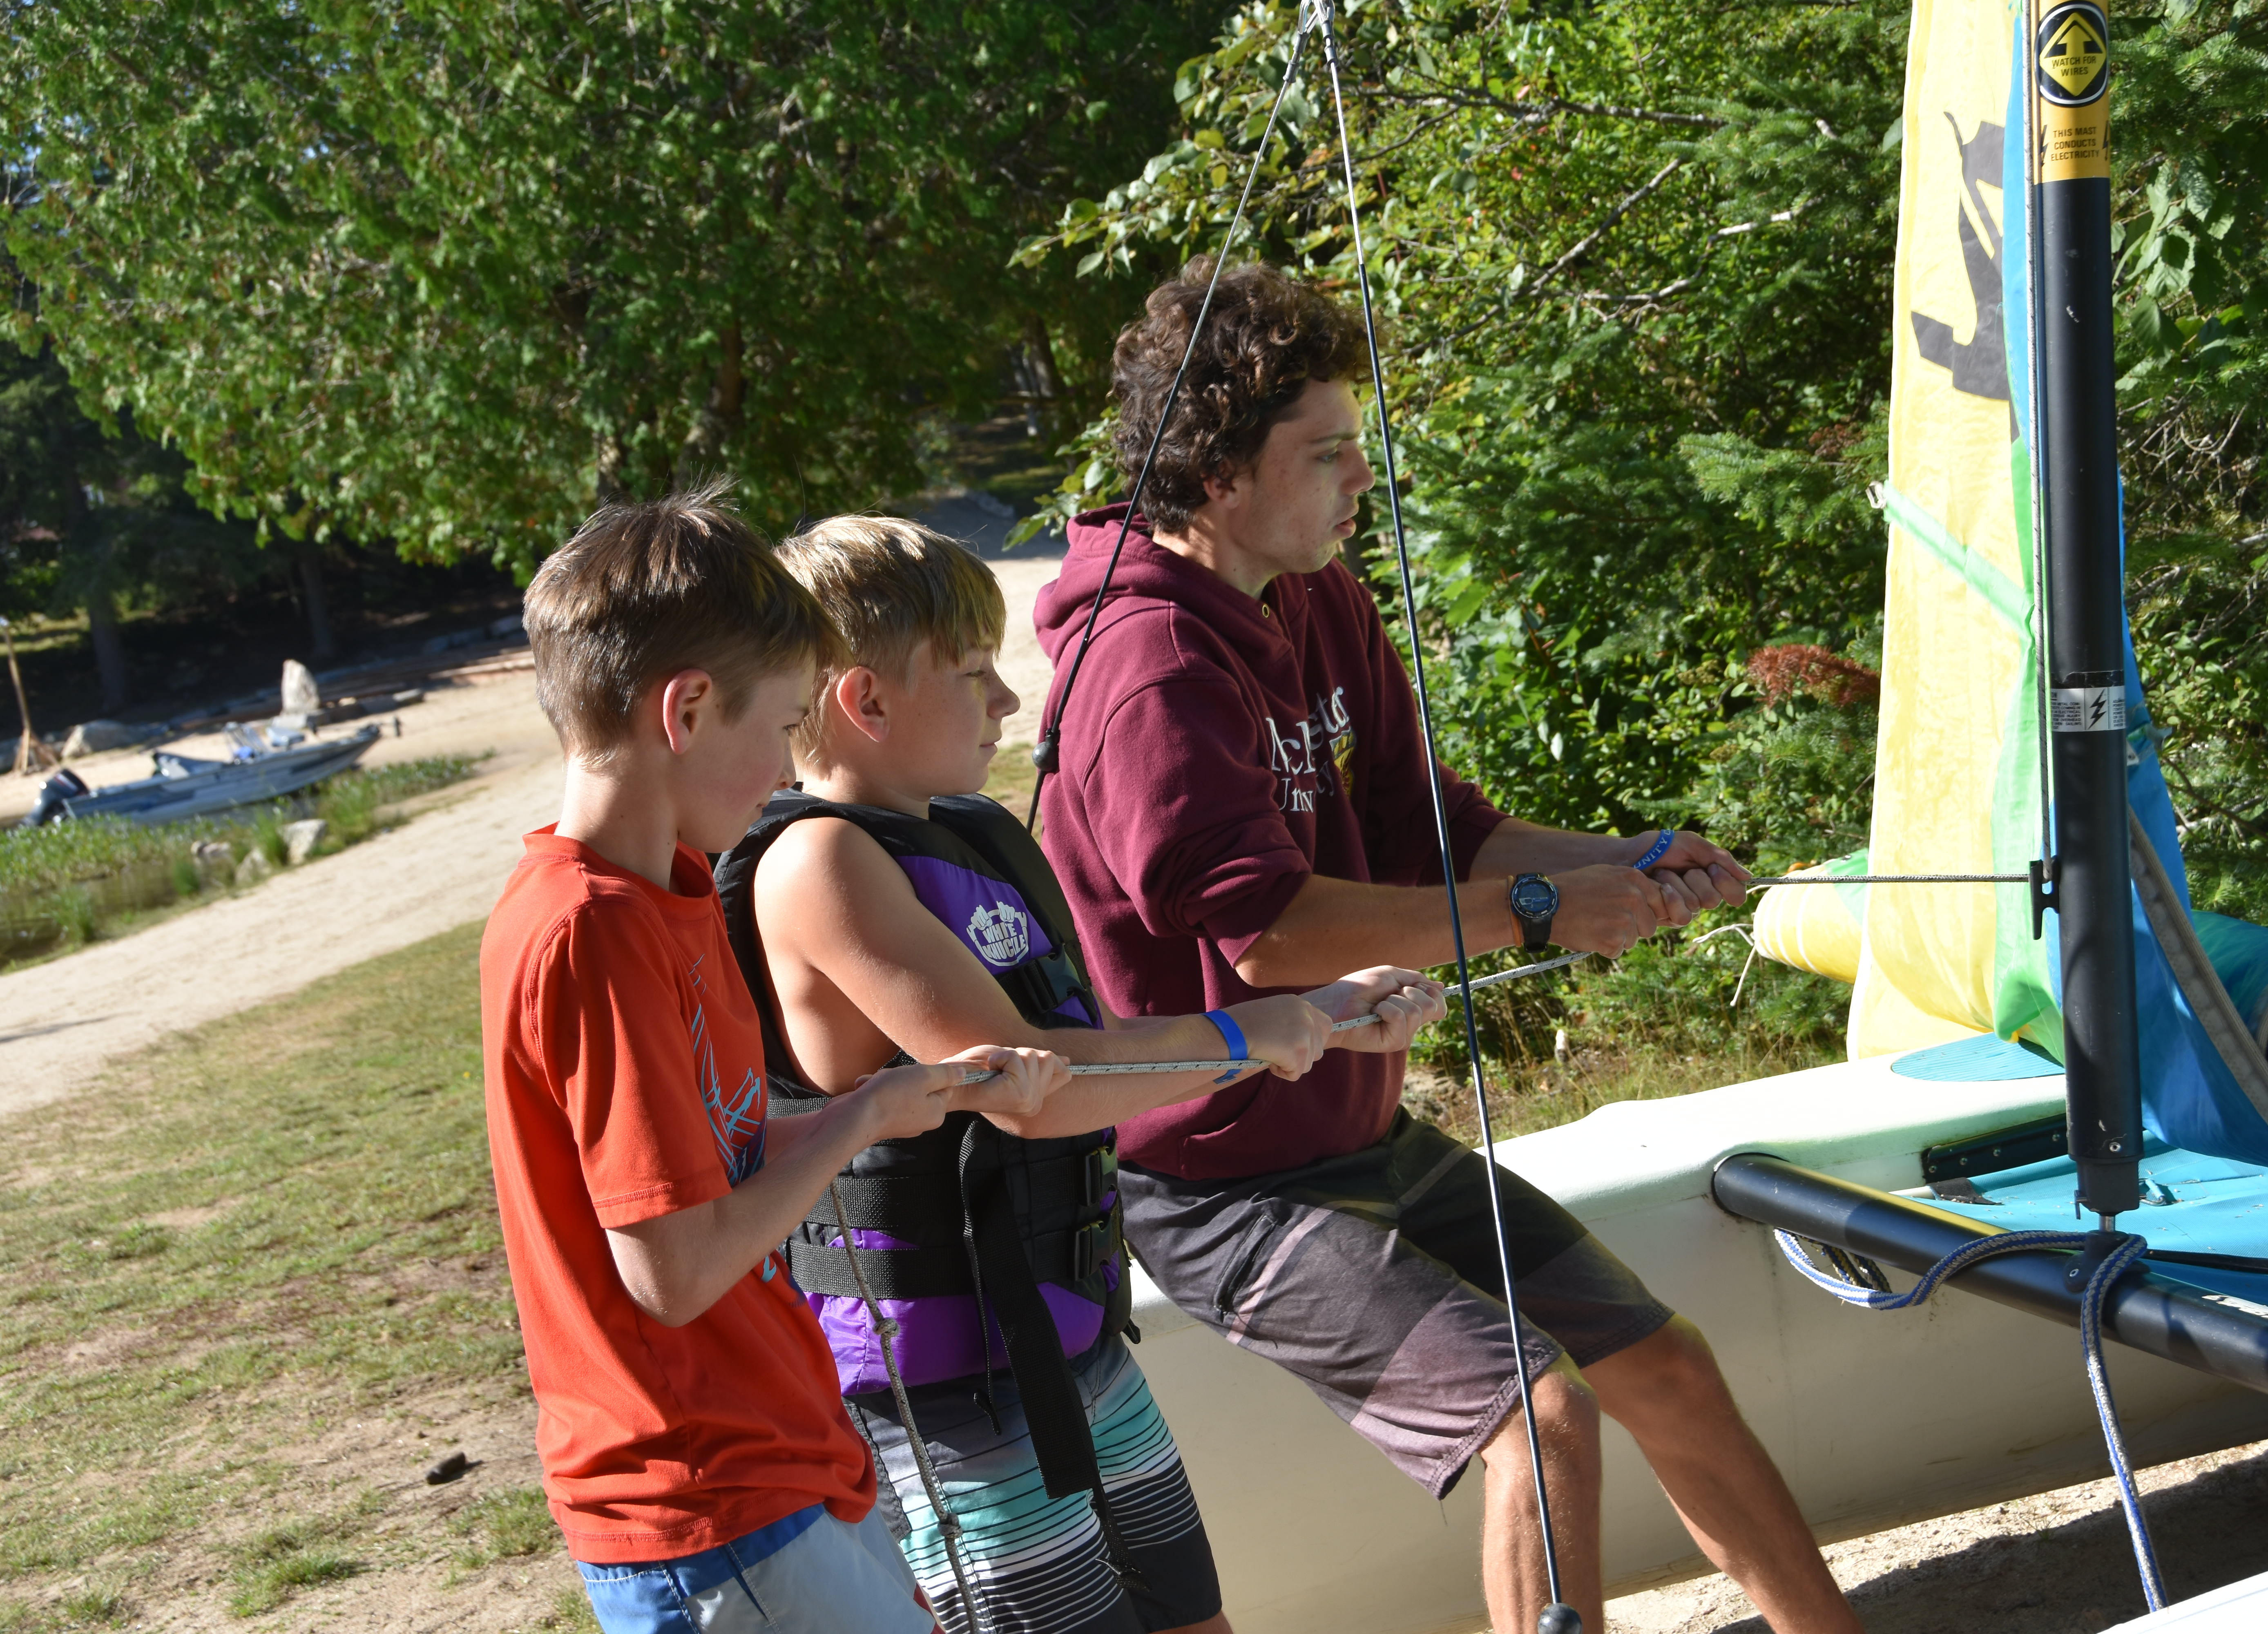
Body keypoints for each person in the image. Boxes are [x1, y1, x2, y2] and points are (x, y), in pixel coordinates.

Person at [1030, 261, 1865, 1634]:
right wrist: (1540, 918)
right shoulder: (1148, 667)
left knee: (1666, 1364)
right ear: (1218, 470)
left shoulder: (1320, 600)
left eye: (1359, 444)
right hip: (1218, 1179)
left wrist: (1620, 861)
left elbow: (1444, 832)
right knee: (1541, 1423)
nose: (1363, 478)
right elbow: (1271, 938)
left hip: (1356, 1132)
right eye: (1327, 453)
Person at [712, 514, 1443, 1634]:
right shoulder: (820, 863)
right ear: (865, 702)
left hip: (1073, 1337)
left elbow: (1100, 1039)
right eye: (972, 676)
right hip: (951, 1388)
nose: (1008, 705)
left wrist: (1326, 1018)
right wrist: (1262, 1032)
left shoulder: (961, 833)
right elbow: (1029, 1083)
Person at [480, 484, 1062, 1634]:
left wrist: (896, 1100)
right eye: (782, 721)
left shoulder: (673, 893)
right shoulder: (588, 932)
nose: (784, 766)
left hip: (782, 1461)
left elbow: (713, 1157)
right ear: (688, 709)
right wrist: (852, 1124)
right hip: (704, 1498)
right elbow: (676, 1267)